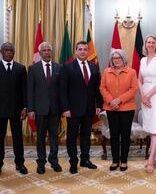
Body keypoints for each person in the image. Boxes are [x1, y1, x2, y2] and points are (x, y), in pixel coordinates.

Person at [60, 40, 103, 174]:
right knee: (72, 136)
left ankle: (85, 160)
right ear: (76, 51)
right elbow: (63, 90)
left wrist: (99, 104)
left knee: (86, 136)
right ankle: (73, 162)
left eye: (85, 49)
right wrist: (65, 108)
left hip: (89, 108)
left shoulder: (94, 67)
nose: (83, 51)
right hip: (72, 110)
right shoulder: (67, 67)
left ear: (88, 51)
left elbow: (97, 88)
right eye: (80, 49)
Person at [27, 42, 62, 174]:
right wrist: (31, 109)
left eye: (49, 50)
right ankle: (41, 162)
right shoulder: (33, 68)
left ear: (51, 52)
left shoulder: (59, 67)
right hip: (40, 110)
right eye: (44, 50)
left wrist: (63, 108)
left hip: (55, 110)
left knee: (54, 137)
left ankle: (54, 161)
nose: (47, 52)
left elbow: (61, 90)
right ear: (40, 52)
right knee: (40, 138)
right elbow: (30, 91)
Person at [100, 49, 137, 171]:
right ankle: (115, 160)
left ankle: (124, 161)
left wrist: (119, 100)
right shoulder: (107, 71)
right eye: (114, 58)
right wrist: (111, 101)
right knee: (114, 135)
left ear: (123, 59)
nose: (116, 60)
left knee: (125, 135)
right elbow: (102, 88)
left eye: (118, 58)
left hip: (127, 108)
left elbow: (133, 89)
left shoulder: (131, 72)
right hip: (111, 108)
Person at [138, 35, 156, 173]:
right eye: (148, 42)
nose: (150, 44)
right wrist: (142, 96)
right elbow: (139, 79)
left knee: (155, 127)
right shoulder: (142, 60)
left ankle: (150, 160)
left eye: (153, 42)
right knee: (150, 126)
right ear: (145, 44)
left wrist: (148, 96)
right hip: (144, 93)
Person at [0, 42, 28, 174]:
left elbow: (24, 90)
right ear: (1, 52)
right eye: (6, 50)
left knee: (18, 138)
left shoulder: (21, 68)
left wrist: (25, 107)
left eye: (11, 50)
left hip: (17, 110)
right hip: (0, 110)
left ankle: (20, 163)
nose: (9, 52)